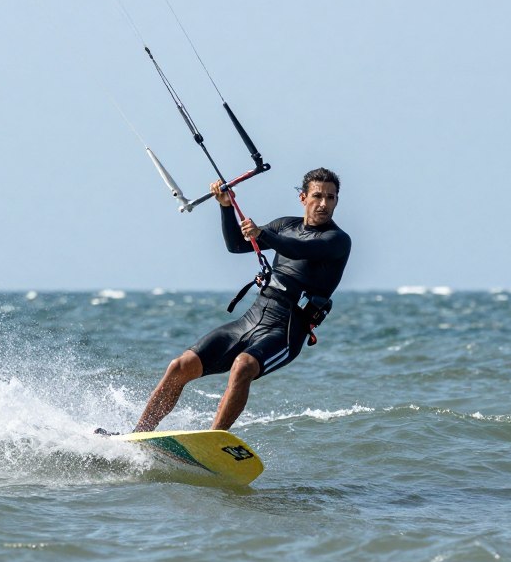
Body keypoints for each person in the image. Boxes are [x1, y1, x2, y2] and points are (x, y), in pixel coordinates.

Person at [133, 167, 351, 432]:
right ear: (303, 198)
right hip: (252, 318)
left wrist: (263, 234)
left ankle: (215, 440)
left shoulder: (337, 240)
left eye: (331, 197)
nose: (324, 203)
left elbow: (300, 249)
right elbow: (236, 245)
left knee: (243, 366)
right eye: (318, 196)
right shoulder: (286, 225)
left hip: (286, 330)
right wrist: (226, 207)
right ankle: (139, 435)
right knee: (180, 366)